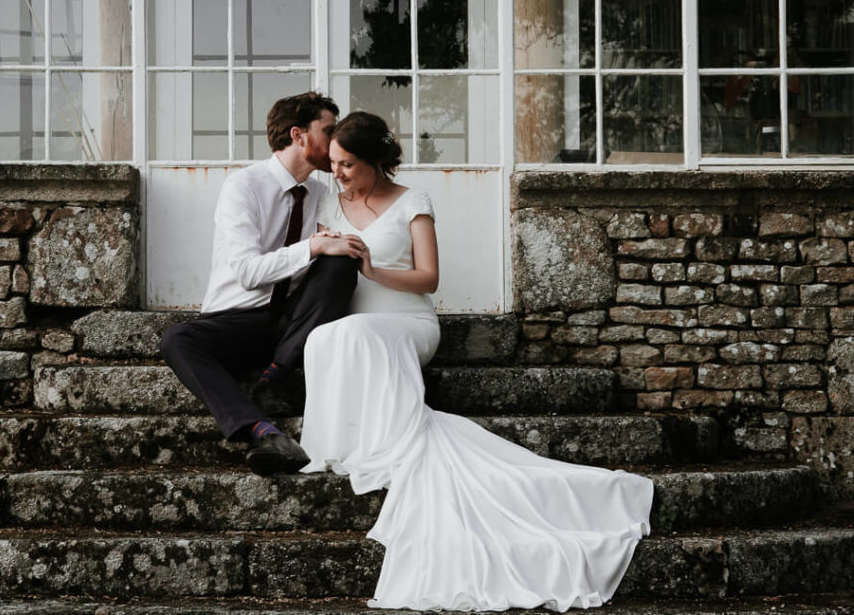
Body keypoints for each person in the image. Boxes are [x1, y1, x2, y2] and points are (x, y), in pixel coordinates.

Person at [300, 111, 654, 612]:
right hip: (356, 327)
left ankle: (387, 440)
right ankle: (344, 442)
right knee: (326, 337)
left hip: (409, 322)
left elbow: (429, 279)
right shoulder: (329, 203)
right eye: (334, 163)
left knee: (355, 331)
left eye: (348, 164)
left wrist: (374, 270)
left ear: (376, 161)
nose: (338, 173)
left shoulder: (412, 201)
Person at [160, 91, 365, 477]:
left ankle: (275, 376)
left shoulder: (324, 192)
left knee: (340, 266)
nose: (336, 140)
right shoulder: (244, 186)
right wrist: (313, 246)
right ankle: (262, 430)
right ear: (298, 135)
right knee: (177, 340)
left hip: (293, 322)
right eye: (329, 130)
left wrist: (338, 246)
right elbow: (248, 272)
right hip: (238, 318)